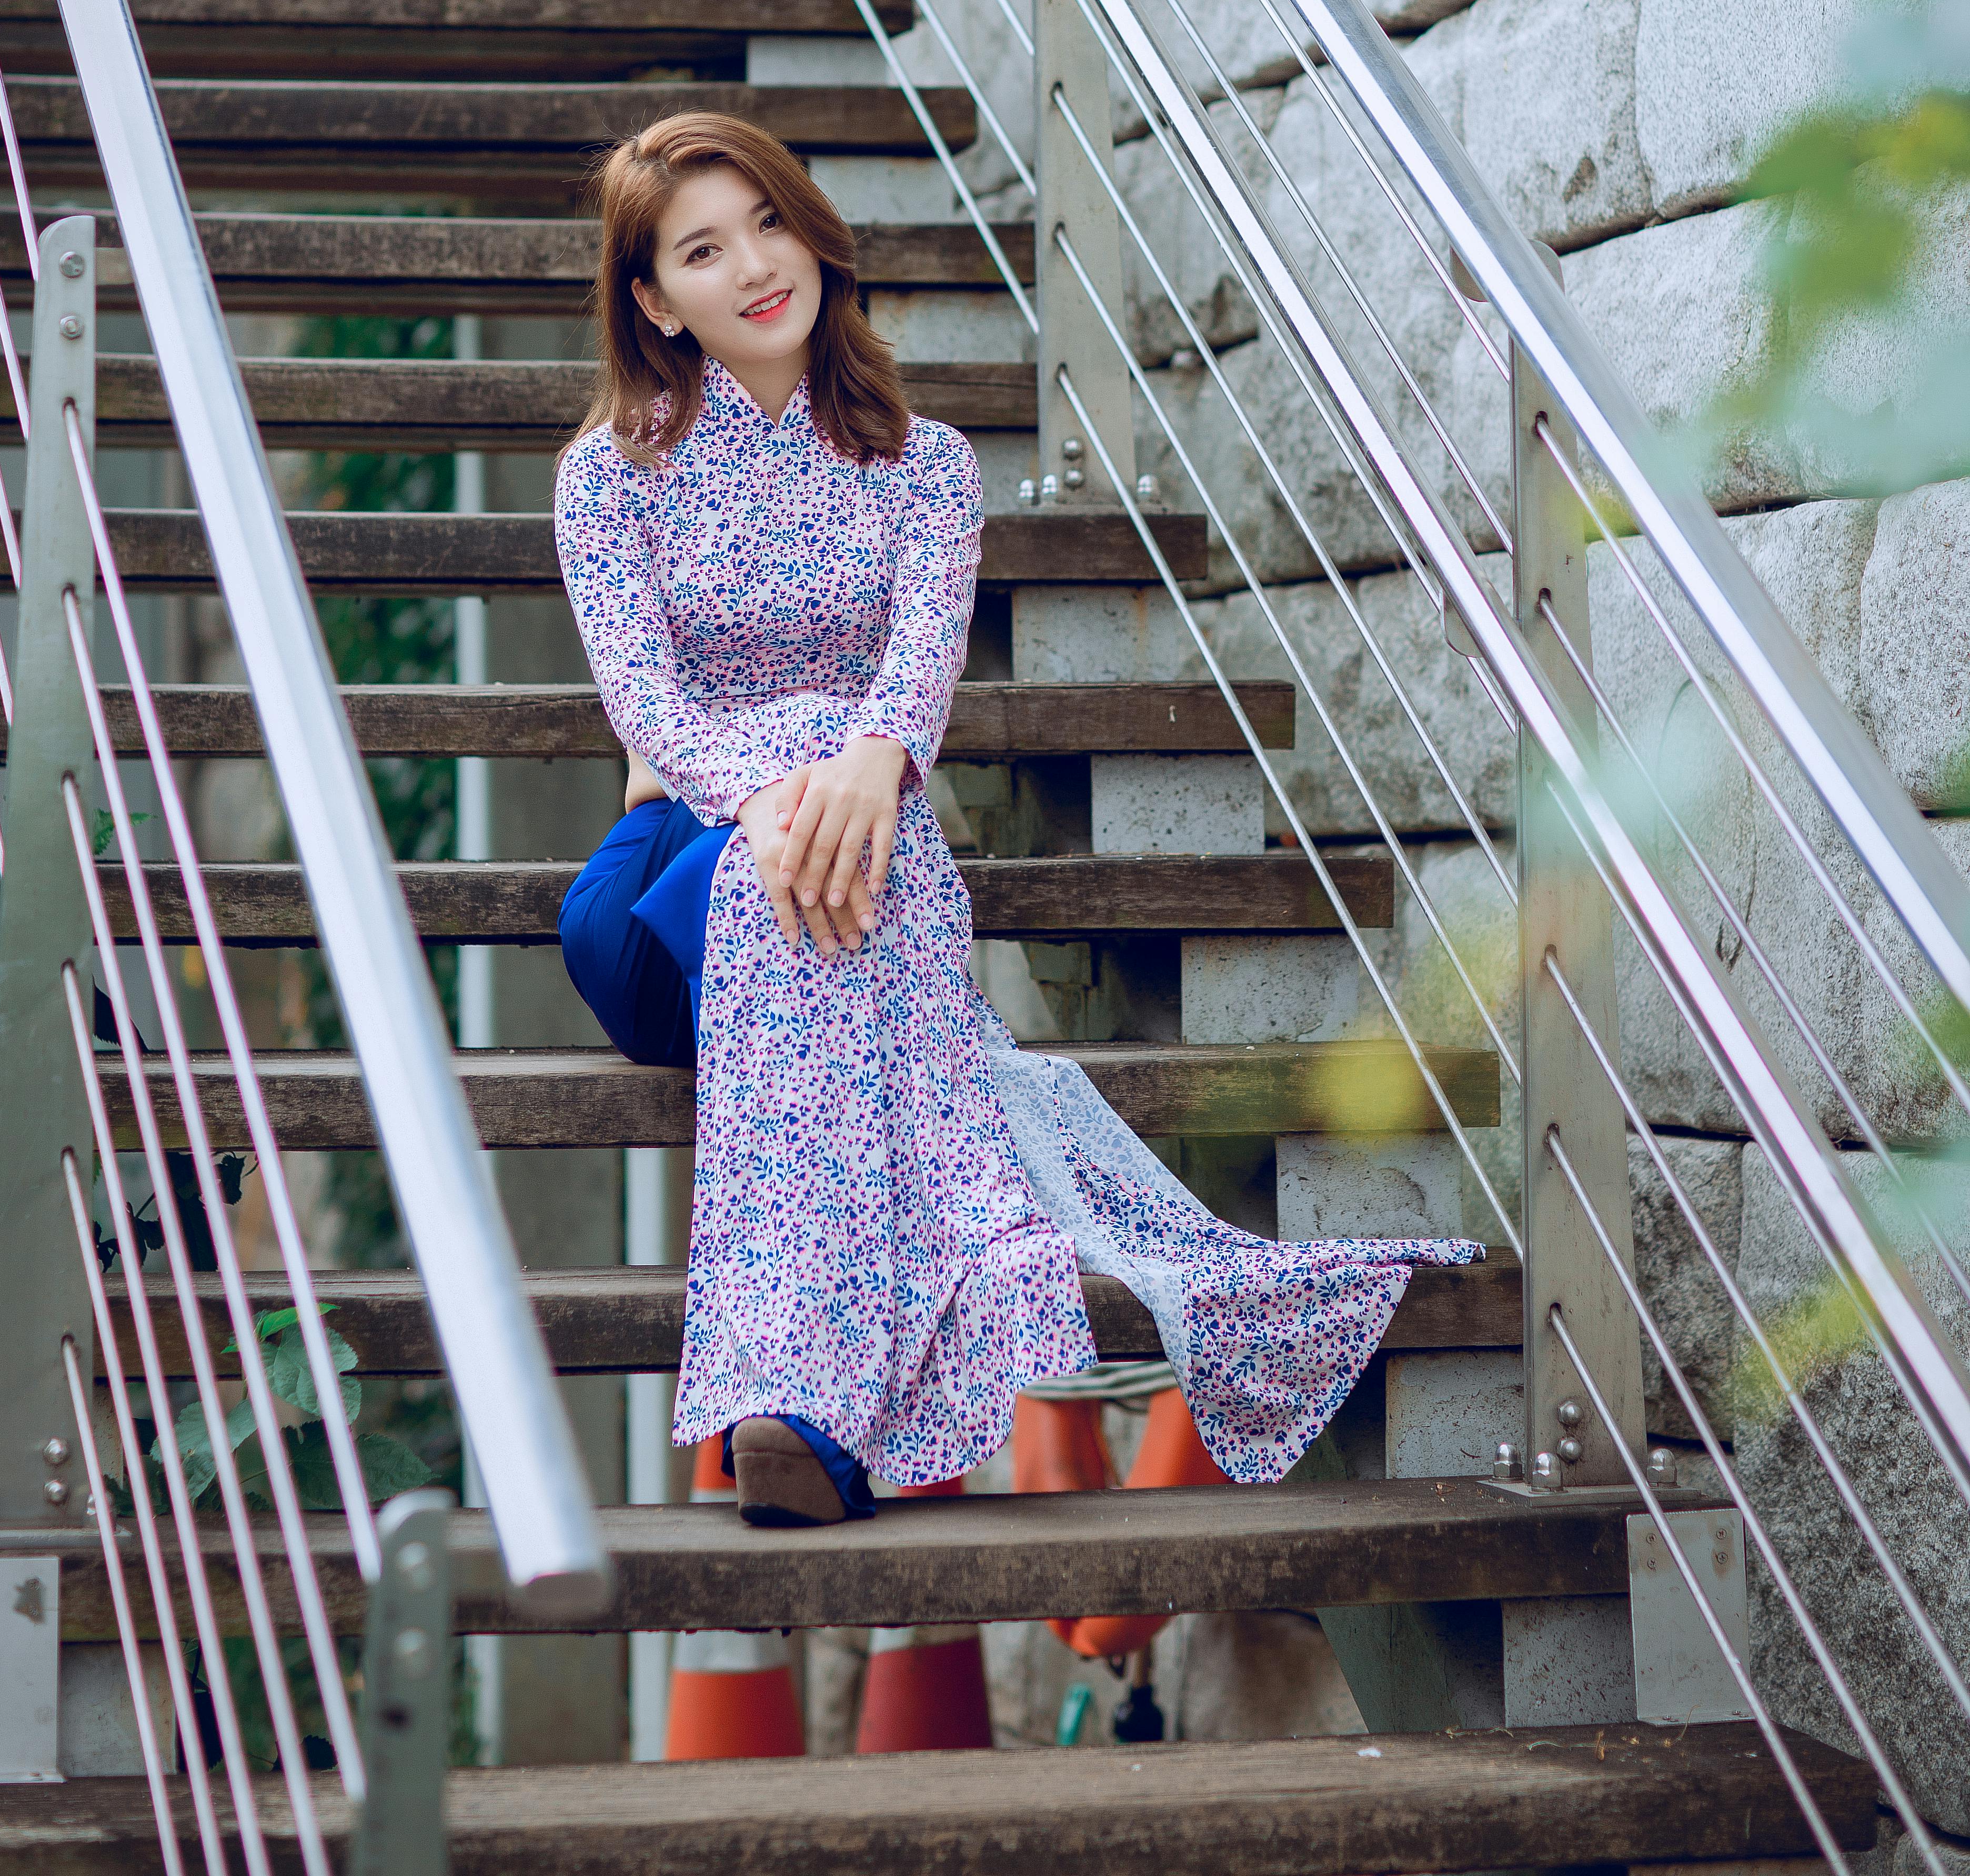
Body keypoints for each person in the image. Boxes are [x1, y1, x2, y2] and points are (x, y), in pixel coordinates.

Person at [554, 108, 1478, 1530]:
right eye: (701, 250)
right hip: (666, 884)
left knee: (837, 885)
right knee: (804, 863)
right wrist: (821, 767)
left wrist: (872, 762)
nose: (752, 266)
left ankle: (804, 1408)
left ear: (812, 232)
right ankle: (814, 1407)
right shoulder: (610, 474)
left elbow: (916, 682)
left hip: (852, 871)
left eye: (770, 224)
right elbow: (653, 713)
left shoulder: (928, 467)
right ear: (653, 302)